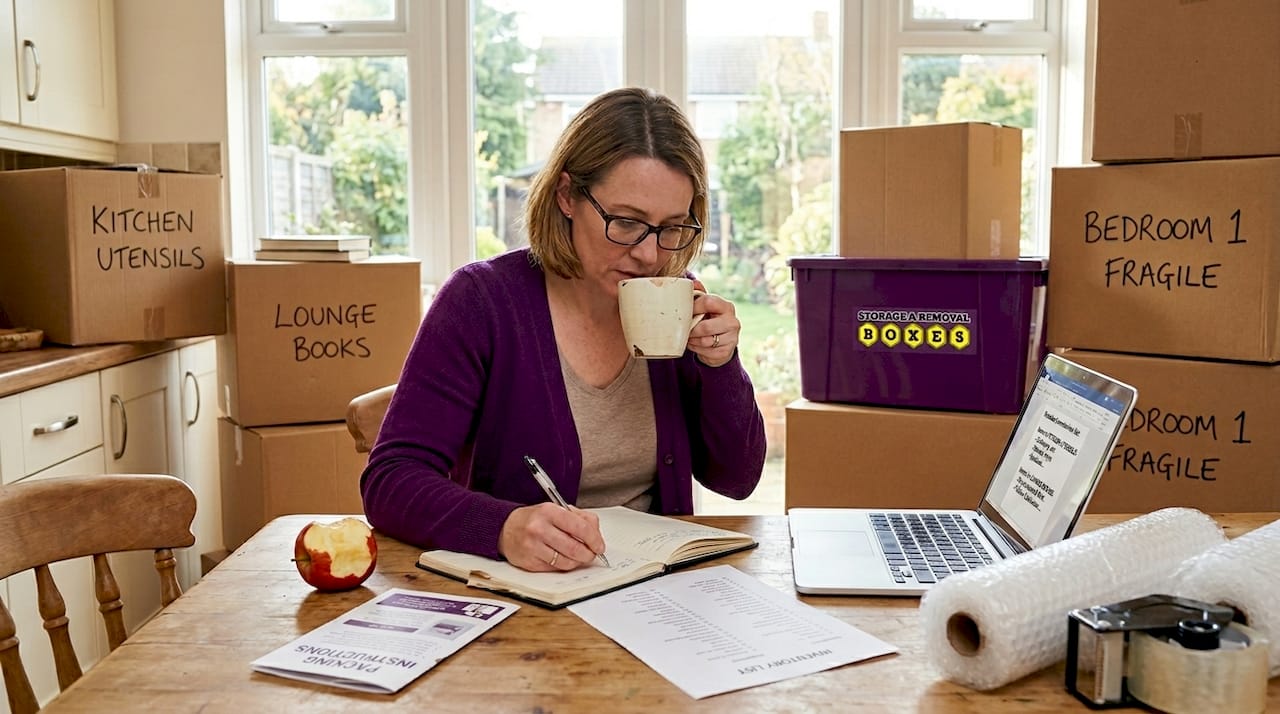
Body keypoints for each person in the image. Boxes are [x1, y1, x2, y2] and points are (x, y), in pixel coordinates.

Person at [361, 87, 766, 573]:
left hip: (654, 586)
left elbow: (737, 479)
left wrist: (720, 367)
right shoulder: (481, 303)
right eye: (627, 222)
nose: (649, 254)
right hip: (529, 591)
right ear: (567, 195)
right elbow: (390, 480)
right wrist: (502, 527)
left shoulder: (676, 302)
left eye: (672, 227)